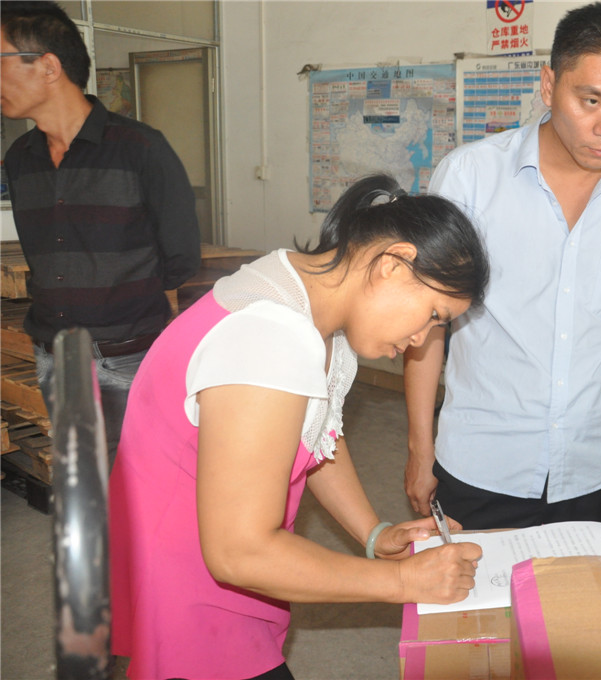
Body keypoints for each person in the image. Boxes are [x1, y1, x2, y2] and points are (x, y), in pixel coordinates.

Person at [109, 174, 488, 679]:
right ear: (393, 265)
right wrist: (402, 582)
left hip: (225, 562)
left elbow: (313, 431)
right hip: (192, 587)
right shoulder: (269, 340)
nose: (421, 340)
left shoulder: (305, 295)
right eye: (433, 315)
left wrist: (372, 533)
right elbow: (240, 553)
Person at [403, 1, 601, 530]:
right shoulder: (470, 178)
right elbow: (427, 324)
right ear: (549, 85)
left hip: (593, 469)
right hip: (482, 461)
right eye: (591, 100)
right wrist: (421, 447)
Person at [1, 1, 201, 462]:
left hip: (129, 356)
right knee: (83, 474)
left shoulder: (141, 148)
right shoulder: (20, 158)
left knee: (145, 476)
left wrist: (122, 304)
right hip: (55, 355)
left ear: (48, 66)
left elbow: (181, 257)